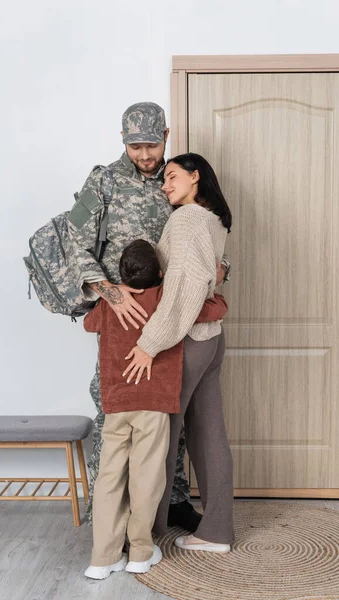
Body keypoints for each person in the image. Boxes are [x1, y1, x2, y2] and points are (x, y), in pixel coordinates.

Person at [67, 102, 230, 528]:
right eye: (135, 145)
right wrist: (109, 292)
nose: (144, 154)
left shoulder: (176, 179)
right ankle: (110, 515)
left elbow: (205, 240)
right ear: (123, 140)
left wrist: (223, 270)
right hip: (121, 319)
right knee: (115, 408)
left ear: (166, 135)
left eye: (151, 144)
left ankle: (169, 502)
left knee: (166, 406)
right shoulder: (103, 181)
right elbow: (75, 244)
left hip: (173, 317)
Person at [83, 239, 228, 579]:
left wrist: (111, 295)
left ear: (122, 276)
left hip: (117, 403)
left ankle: (102, 559)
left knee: (109, 477)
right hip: (152, 403)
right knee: (146, 477)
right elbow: (209, 310)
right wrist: (218, 296)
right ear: (161, 273)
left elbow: (89, 324)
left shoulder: (110, 303)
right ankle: (140, 552)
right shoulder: (165, 298)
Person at [123, 153, 234, 553]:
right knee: (209, 434)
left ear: (195, 176)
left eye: (172, 176)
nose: (165, 184)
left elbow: (183, 291)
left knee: (159, 435)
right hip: (211, 337)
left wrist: (147, 344)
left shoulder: (187, 220)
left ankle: (143, 534)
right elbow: (212, 275)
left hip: (187, 340)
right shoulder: (213, 219)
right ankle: (217, 531)